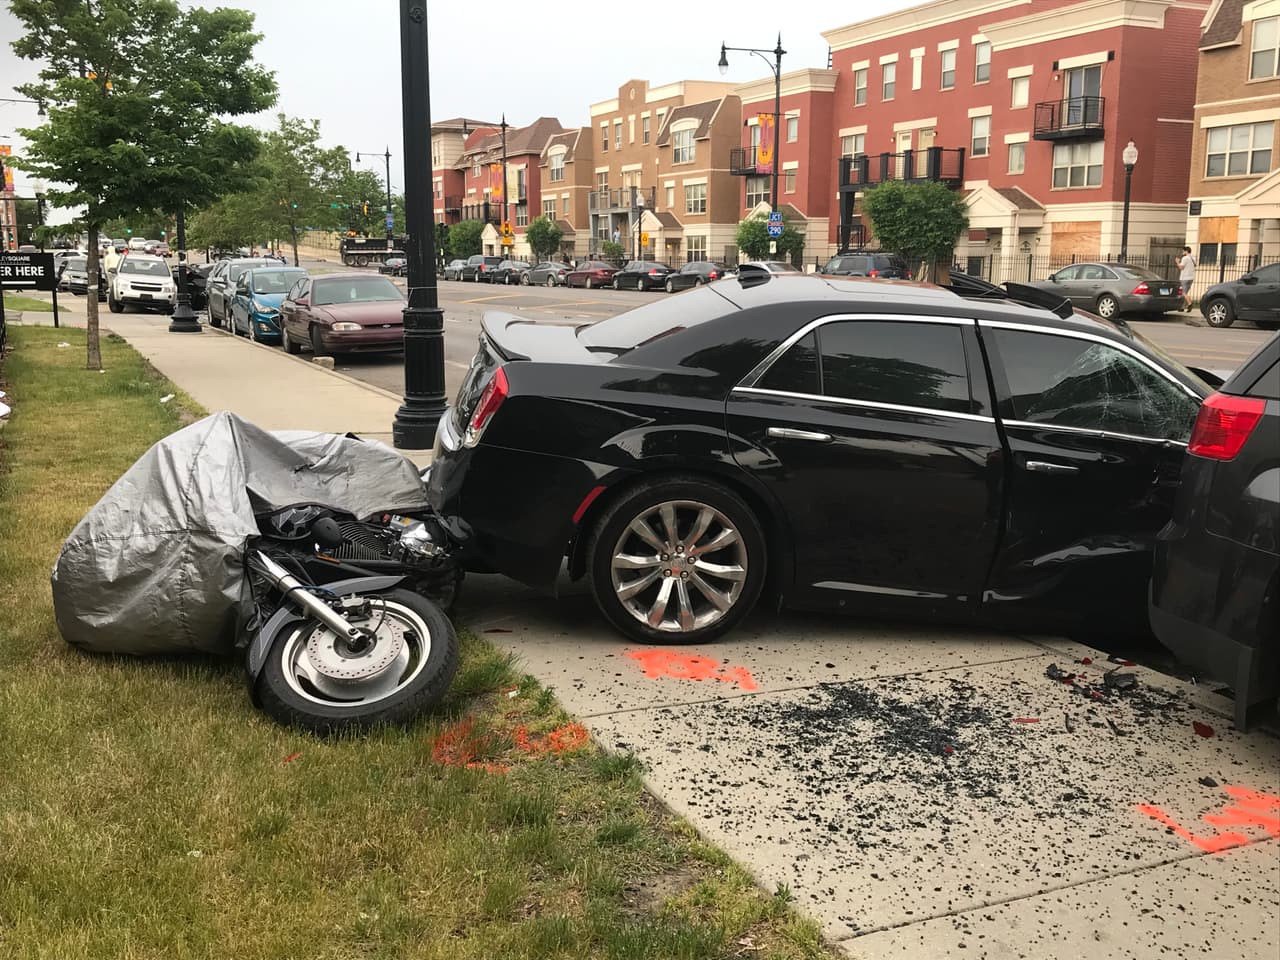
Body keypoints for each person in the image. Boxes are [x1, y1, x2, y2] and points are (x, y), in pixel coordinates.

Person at [1176, 246, 1197, 312]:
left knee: (1183, 293)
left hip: (1184, 277)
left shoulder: (1185, 258)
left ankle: (1190, 303)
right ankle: (1182, 307)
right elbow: (1195, 265)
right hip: (1191, 278)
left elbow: (1181, 267)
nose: (1182, 252)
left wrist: (1177, 262)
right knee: (1185, 293)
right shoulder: (1193, 258)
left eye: (1183, 251)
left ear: (1186, 251)